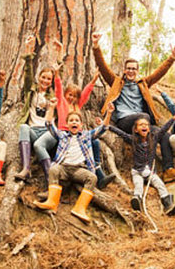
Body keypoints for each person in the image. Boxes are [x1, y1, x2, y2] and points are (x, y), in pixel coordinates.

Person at [92, 32, 175, 183]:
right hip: (125, 121)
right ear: (124, 70)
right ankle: (146, 168)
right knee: (144, 117)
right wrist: (96, 46)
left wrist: (172, 56)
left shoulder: (143, 83)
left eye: (134, 68)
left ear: (137, 70)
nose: (131, 71)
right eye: (129, 68)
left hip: (142, 125)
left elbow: (159, 72)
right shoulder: (116, 81)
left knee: (163, 135)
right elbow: (102, 66)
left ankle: (168, 170)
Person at [35, 49, 115, 190]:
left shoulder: (78, 105)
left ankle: (99, 173)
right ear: (66, 94)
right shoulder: (61, 102)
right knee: (93, 142)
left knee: (95, 142)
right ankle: (95, 174)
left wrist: (94, 79)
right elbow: (58, 87)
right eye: (69, 95)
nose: (71, 97)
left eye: (74, 96)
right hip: (64, 134)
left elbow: (86, 92)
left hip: (79, 135)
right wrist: (57, 74)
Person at [33, 100, 114, 223]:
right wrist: (52, 108)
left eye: (76, 121)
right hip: (64, 168)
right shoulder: (63, 136)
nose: (74, 122)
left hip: (78, 170)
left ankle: (80, 208)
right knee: (53, 169)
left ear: (81, 124)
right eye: (71, 121)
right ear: (67, 124)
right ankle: (52, 202)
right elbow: (49, 124)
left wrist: (109, 113)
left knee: (92, 177)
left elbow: (102, 129)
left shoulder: (86, 136)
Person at [109, 109, 175, 216]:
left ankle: (168, 205)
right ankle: (137, 201)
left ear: (149, 128)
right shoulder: (133, 139)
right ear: (136, 130)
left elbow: (164, 128)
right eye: (141, 125)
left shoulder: (154, 138)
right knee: (138, 186)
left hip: (150, 172)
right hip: (137, 171)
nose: (144, 126)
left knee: (160, 184)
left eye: (146, 125)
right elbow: (121, 133)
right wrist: (107, 125)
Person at [15, 35, 55, 182]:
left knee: (39, 145)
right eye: (43, 77)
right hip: (33, 130)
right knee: (23, 128)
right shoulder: (31, 90)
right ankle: (26, 168)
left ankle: (51, 180)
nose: (45, 80)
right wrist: (28, 51)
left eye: (48, 79)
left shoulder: (53, 95)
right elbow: (27, 73)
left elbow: (60, 81)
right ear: (39, 77)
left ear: (51, 82)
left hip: (48, 132)